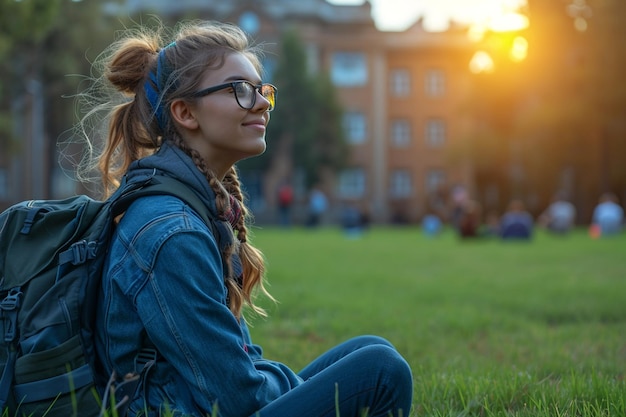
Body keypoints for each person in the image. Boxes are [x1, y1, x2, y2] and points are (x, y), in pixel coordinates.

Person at [82, 20, 412, 417]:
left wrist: (286, 384)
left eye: (262, 89)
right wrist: (296, 386)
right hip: (177, 409)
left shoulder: (195, 207)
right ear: (186, 112)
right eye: (240, 90)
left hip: (197, 402)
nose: (261, 103)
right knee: (380, 371)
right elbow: (240, 398)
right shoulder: (172, 232)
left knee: (369, 349)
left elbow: (241, 360)